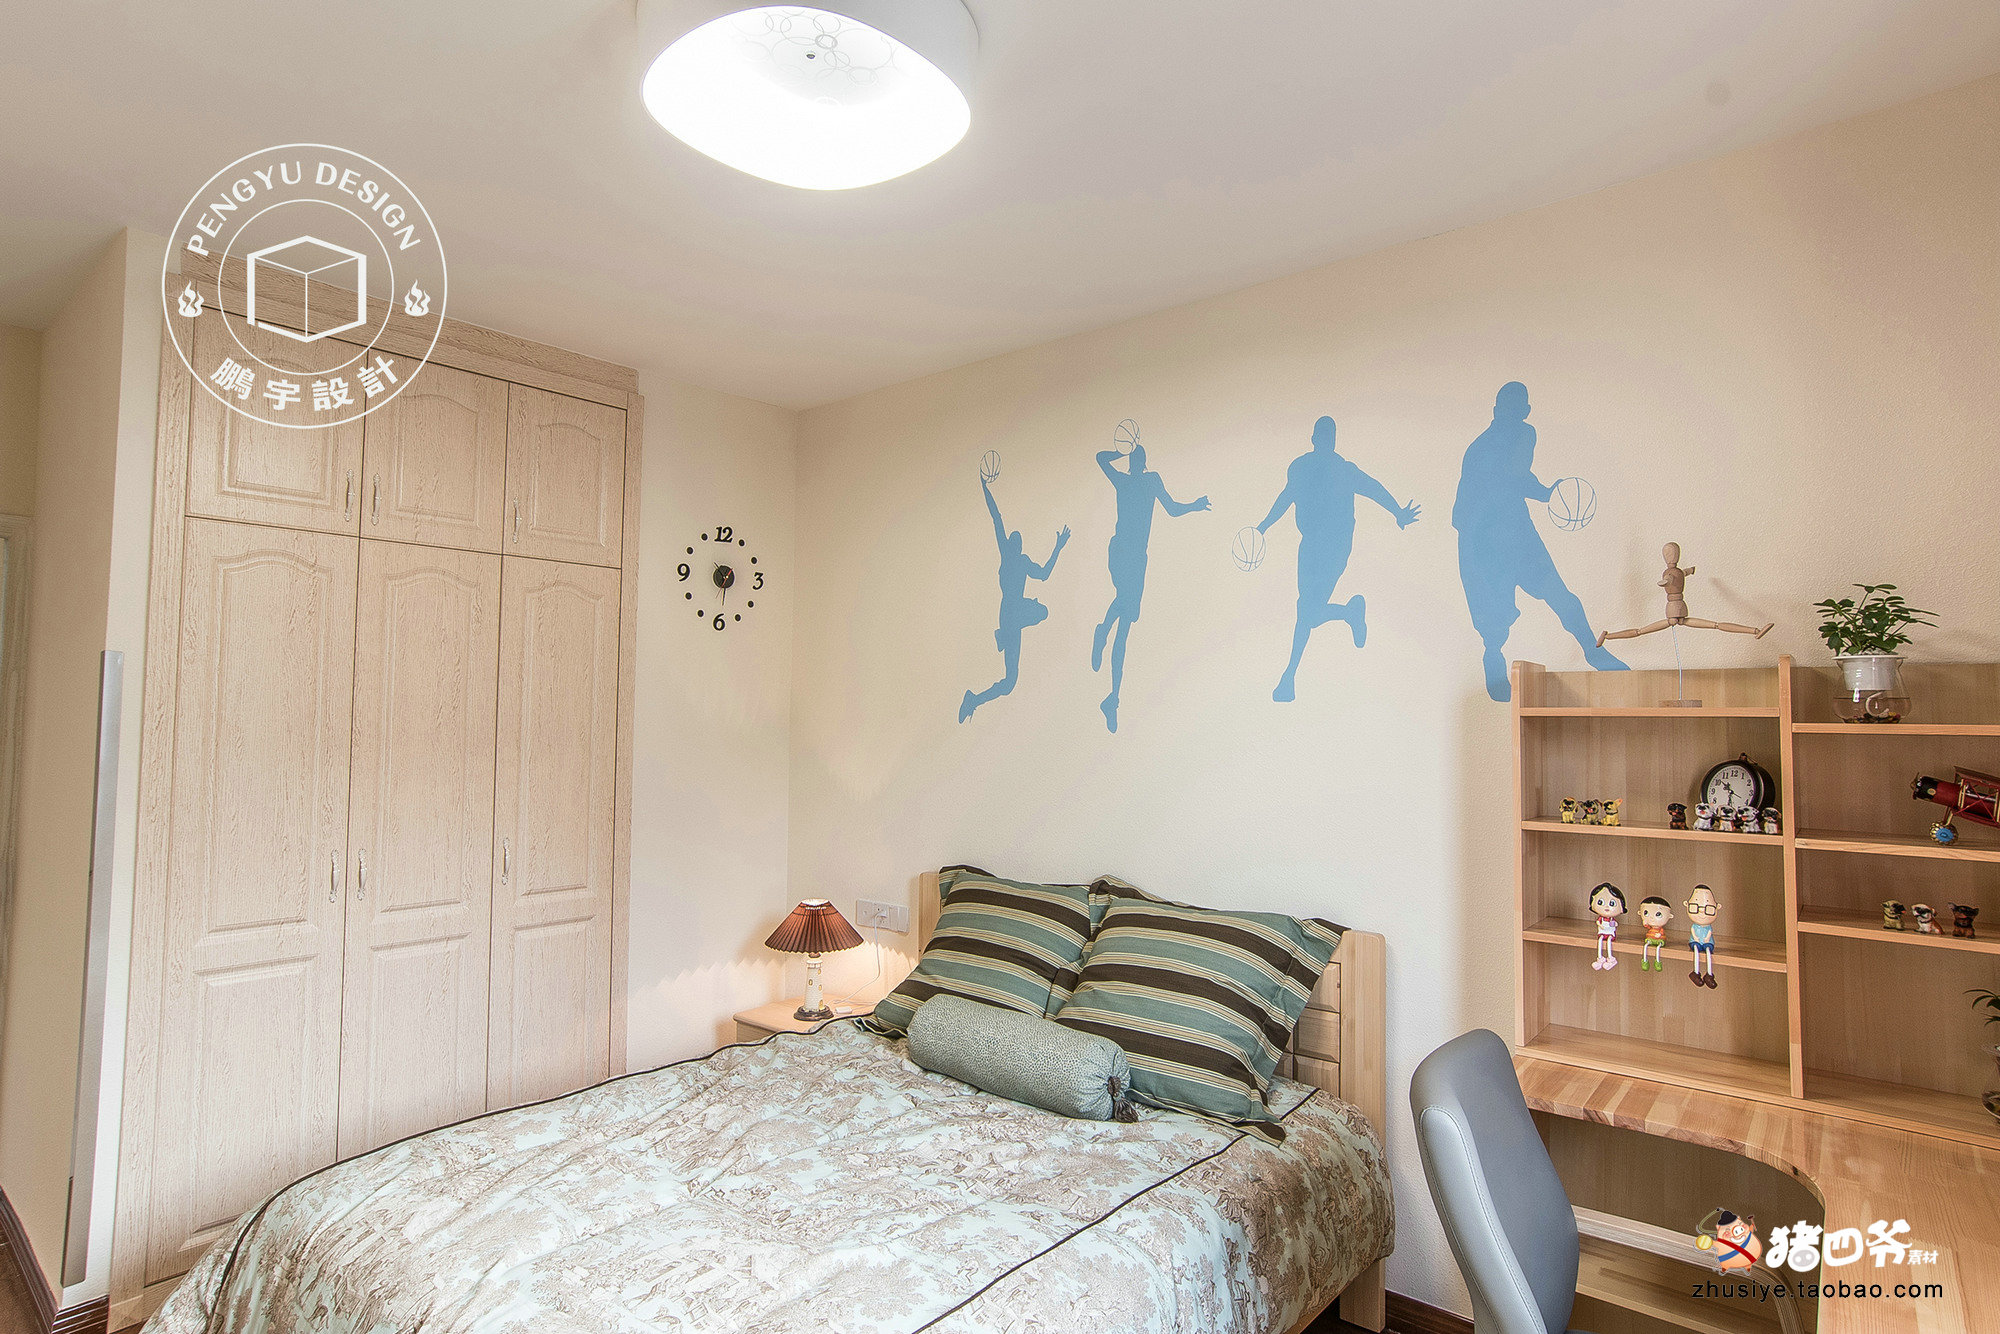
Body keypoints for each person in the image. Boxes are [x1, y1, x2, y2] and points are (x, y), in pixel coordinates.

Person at [1452, 382, 1625, 701]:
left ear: (1526, 412)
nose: (1512, 416)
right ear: (1496, 411)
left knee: (1558, 592)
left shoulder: (1525, 434)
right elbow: (1495, 489)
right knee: (1495, 617)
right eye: (1507, 410)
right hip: (1484, 539)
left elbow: (1517, 476)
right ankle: (1494, 659)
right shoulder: (1480, 450)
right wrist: (1481, 556)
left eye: (1517, 411)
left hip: (1516, 532)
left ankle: (1593, 650)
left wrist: (1543, 492)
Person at [1256, 416, 1419, 702]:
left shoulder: (1343, 470)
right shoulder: (1301, 468)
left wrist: (1397, 512)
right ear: (1315, 440)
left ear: (1331, 442)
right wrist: (1263, 526)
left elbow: (1373, 488)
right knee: (1308, 612)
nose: (1326, 442)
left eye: (1329, 437)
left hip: (1334, 547)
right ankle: (1348, 614)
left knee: (1306, 611)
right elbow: (1286, 497)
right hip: (1310, 545)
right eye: (1324, 437)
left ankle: (1288, 677)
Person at [1091, 443, 1208, 732]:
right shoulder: (1130, 481)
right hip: (1123, 552)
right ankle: (1103, 631)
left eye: (1135, 457)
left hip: (1134, 558)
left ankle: (1113, 698)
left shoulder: (1145, 481)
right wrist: (1123, 448)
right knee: (1123, 610)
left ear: (1140, 462)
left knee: (1125, 628)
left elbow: (1172, 508)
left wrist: (1194, 506)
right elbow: (1100, 458)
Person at [960, 475, 1070, 722]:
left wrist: (1058, 548)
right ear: (1012, 544)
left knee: (1010, 682)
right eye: (1014, 541)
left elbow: (1044, 574)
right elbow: (996, 518)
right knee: (1011, 679)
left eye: (1017, 542)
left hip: (1013, 616)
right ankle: (975, 696)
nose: (1016, 543)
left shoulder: (1020, 560)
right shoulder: (1010, 557)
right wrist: (984, 489)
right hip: (1012, 611)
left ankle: (974, 699)